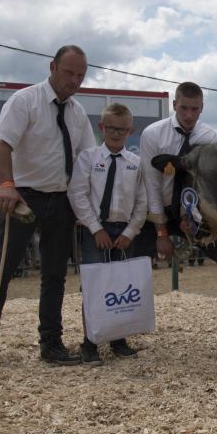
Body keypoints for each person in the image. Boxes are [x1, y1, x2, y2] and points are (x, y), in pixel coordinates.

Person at [0, 45, 96, 367]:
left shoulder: (77, 113)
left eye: (80, 75)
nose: (74, 81)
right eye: (69, 73)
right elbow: (3, 145)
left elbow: (88, 160)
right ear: (52, 67)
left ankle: (51, 343)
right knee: (2, 271)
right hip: (24, 197)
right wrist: (7, 185)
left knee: (55, 275)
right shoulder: (25, 101)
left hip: (62, 200)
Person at [138, 81, 217, 346]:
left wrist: (195, 219)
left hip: (195, 219)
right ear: (174, 105)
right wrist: (161, 231)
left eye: (195, 109)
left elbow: (209, 186)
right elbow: (150, 183)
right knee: (127, 262)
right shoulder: (152, 135)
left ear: (202, 109)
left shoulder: (209, 138)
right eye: (184, 108)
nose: (189, 115)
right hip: (156, 213)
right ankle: (115, 333)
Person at [68, 103, 147, 365]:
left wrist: (131, 232)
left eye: (122, 129)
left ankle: (118, 340)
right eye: (111, 128)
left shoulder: (136, 163)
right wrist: (96, 228)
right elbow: (77, 194)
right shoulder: (88, 158)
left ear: (130, 131)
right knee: (94, 286)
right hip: (96, 230)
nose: (116, 133)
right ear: (101, 127)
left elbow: (142, 202)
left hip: (124, 232)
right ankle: (90, 343)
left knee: (122, 285)